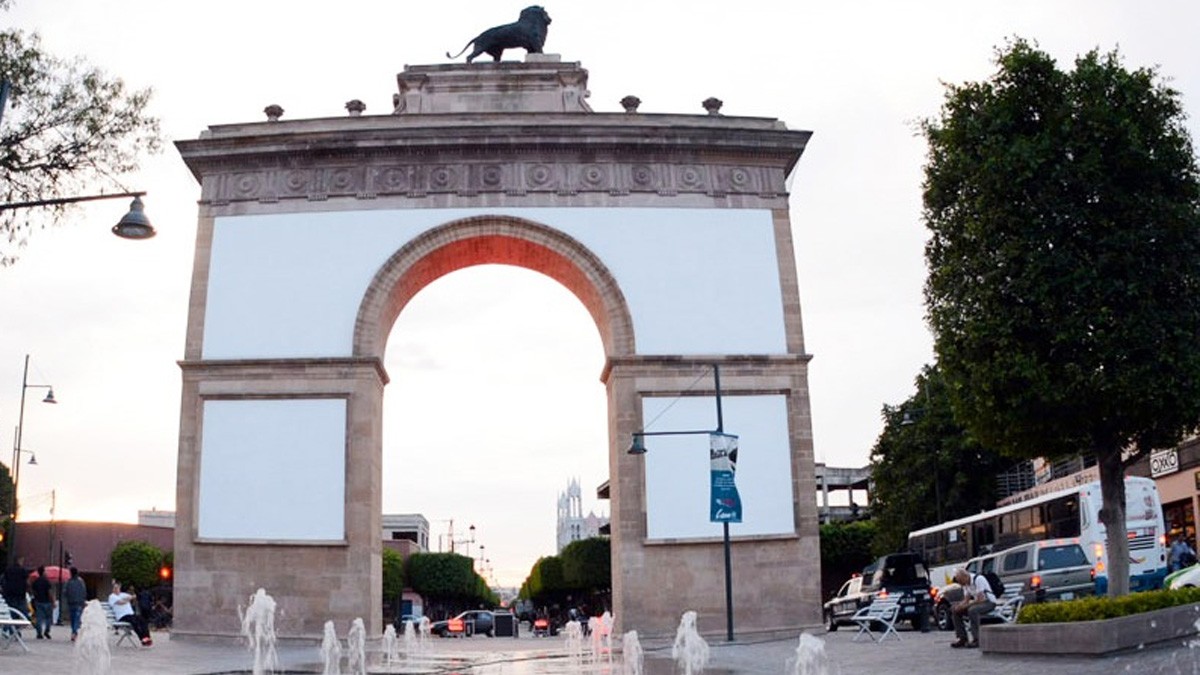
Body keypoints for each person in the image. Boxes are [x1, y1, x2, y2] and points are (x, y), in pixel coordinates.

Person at [949, 568, 996, 649]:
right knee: (954, 610)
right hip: (978, 603)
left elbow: (980, 599)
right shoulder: (965, 584)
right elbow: (966, 599)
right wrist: (959, 606)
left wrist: (966, 606)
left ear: (965, 577)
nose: (961, 584)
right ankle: (962, 638)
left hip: (989, 602)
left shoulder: (978, 579)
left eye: (961, 581)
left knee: (972, 610)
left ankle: (977, 639)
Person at [108, 581, 152, 646]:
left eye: (117, 588)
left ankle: (147, 637)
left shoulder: (123, 594)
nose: (116, 589)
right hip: (122, 616)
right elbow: (121, 602)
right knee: (134, 622)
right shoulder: (112, 596)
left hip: (131, 614)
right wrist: (128, 599)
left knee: (143, 620)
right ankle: (142, 638)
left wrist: (128, 598)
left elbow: (134, 596)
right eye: (115, 588)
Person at [30, 566, 55, 639]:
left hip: (38, 601)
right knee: (48, 618)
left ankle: (39, 633)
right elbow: (49, 592)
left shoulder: (36, 581)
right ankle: (47, 631)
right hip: (47, 601)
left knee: (39, 618)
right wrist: (52, 601)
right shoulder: (46, 581)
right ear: (43, 572)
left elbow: (32, 591)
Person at [64, 567, 87, 641]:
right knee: (77, 619)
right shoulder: (81, 581)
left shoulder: (68, 582)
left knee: (73, 619)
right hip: (79, 603)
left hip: (71, 603)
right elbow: (84, 592)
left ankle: (74, 632)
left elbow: (65, 592)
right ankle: (74, 632)